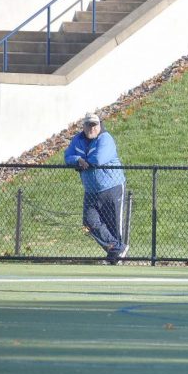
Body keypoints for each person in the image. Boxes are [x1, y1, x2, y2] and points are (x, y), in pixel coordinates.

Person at [63, 112, 128, 264]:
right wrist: (78, 160)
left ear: (100, 126)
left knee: (114, 225)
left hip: (112, 187)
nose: (92, 128)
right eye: (89, 125)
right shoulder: (77, 140)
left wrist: (83, 162)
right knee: (89, 221)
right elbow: (67, 157)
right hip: (91, 191)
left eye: (95, 125)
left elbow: (99, 158)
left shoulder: (106, 138)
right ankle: (118, 249)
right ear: (83, 126)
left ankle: (115, 257)